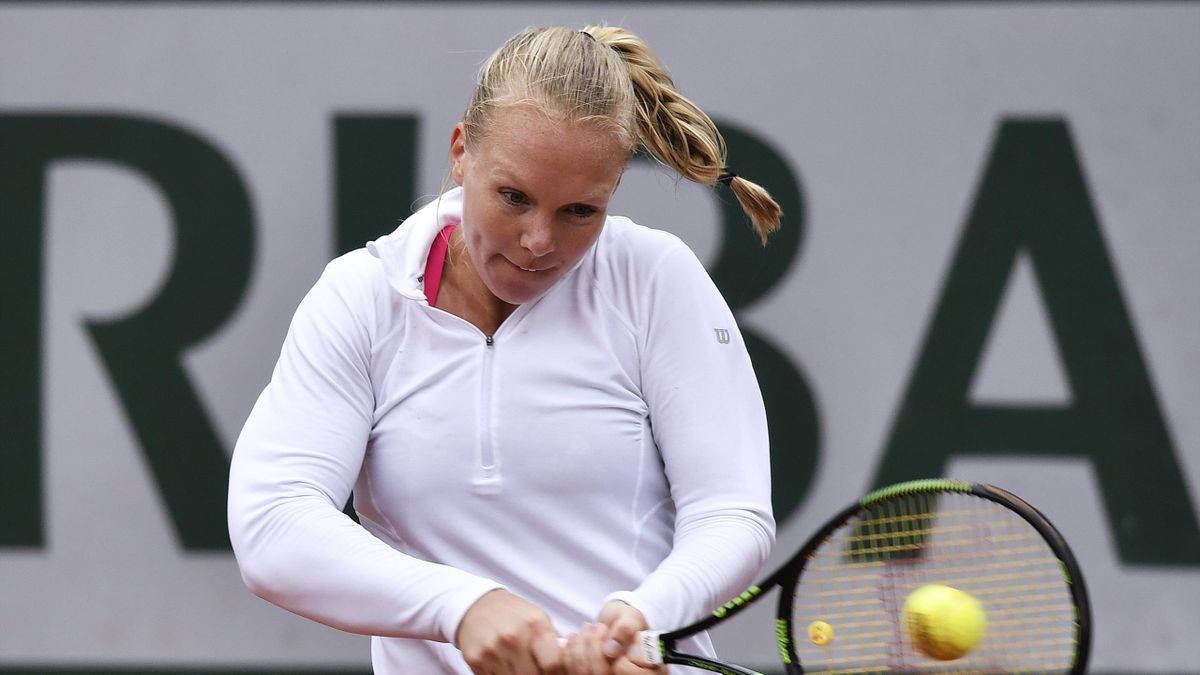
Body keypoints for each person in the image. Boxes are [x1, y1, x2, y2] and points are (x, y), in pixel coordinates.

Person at [228, 25, 779, 674]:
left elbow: (731, 511)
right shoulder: (362, 298)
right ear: (462, 153)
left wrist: (641, 616)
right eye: (513, 197)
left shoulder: (653, 277)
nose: (540, 240)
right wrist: (460, 605)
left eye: (579, 211)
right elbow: (272, 522)